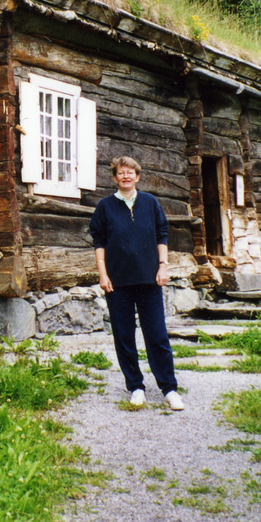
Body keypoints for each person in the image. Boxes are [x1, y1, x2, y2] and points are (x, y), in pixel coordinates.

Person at [89, 156, 184, 411]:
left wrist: (163, 266)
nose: (126, 176)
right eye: (121, 173)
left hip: (149, 281)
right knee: (123, 336)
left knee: (157, 335)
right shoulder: (105, 207)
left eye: (130, 172)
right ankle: (136, 387)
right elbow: (99, 242)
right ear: (115, 177)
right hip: (117, 284)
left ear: (137, 177)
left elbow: (162, 234)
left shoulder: (150, 203)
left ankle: (169, 389)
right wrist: (103, 273)